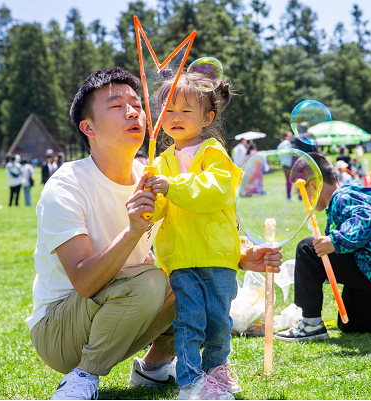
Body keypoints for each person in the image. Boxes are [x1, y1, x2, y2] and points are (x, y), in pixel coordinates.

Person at [28, 67, 283, 400]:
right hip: (62, 329)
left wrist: (242, 256)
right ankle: (83, 376)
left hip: (121, 307)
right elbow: (84, 280)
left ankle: (153, 367)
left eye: (137, 103)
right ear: (88, 127)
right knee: (152, 280)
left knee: (189, 278)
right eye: (116, 105)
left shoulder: (156, 172)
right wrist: (135, 229)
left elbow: (197, 224)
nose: (133, 111)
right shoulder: (67, 185)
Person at [144, 72, 244, 400]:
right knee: (189, 321)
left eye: (186, 111)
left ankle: (217, 370)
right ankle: (191, 381)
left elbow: (214, 192)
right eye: (168, 110)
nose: (175, 117)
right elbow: (157, 211)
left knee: (218, 322)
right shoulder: (160, 163)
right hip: (181, 258)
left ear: (207, 118)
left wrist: (171, 187)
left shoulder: (213, 154)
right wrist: (148, 200)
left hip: (218, 256)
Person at [275, 153, 371, 342]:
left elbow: (366, 219)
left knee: (308, 248)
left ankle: (311, 325)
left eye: (304, 193)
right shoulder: (351, 194)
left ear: (314, 185)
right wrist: (306, 273)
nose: (305, 199)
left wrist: (336, 241)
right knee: (349, 323)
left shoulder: (342, 197)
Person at [278, 131, 295, 201]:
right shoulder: (286, 143)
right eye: (290, 135)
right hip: (288, 164)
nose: (291, 136)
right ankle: (288, 197)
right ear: (286, 136)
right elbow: (286, 151)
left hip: (284, 164)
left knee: (289, 180)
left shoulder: (282, 143)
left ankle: (289, 196)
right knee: (289, 181)